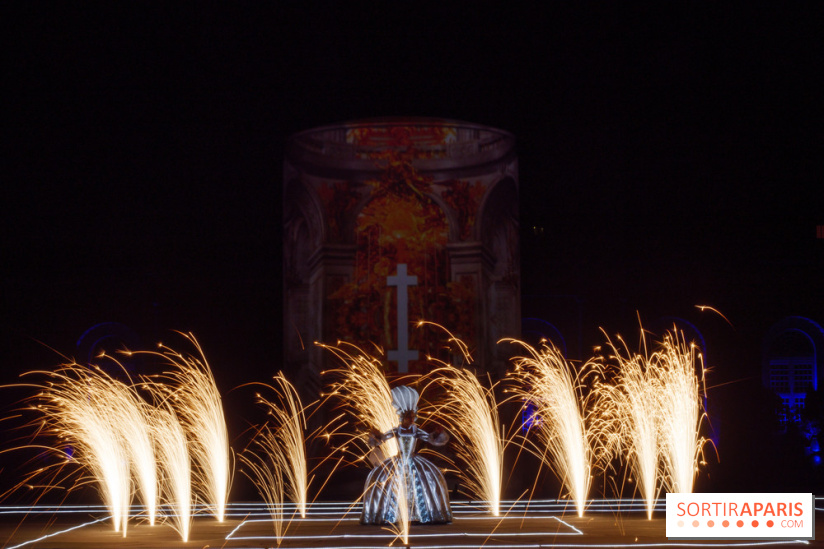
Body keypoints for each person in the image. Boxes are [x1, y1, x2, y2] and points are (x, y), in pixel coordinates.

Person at [360, 385, 452, 524]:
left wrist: (437, 434)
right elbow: (383, 438)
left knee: (426, 481)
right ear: (404, 417)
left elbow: (429, 438)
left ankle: (419, 514)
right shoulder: (397, 430)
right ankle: (392, 514)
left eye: (413, 417)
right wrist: (376, 435)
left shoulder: (415, 430)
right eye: (410, 417)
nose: (412, 420)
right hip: (399, 460)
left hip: (413, 460)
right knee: (388, 482)